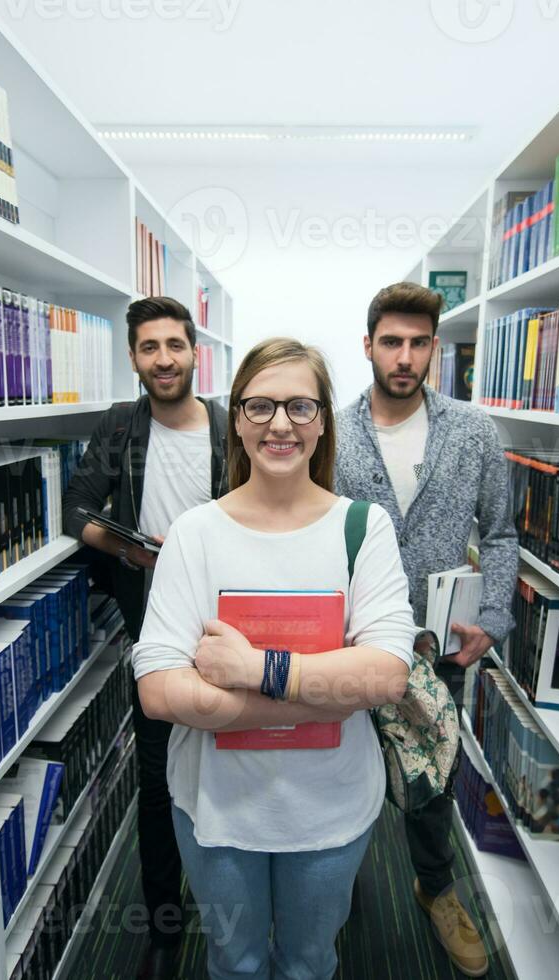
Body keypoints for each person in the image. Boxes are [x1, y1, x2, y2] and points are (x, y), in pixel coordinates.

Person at [131, 338, 416, 980]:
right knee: (235, 961)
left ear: (323, 422)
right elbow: (158, 690)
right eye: (259, 406)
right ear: (236, 418)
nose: (280, 425)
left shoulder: (362, 529)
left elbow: (386, 675)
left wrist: (255, 670)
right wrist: (324, 688)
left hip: (332, 808)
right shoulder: (195, 532)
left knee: (309, 963)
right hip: (217, 807)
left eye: (299, 407)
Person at [335, 281, 520, 978]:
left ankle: (435, 887)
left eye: (418, 343)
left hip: (434, 642)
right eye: (391, 342)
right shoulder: (330, 426)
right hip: (348, 641)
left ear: (435, 348)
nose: (404, 357)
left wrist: (494, 618)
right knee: (340, 767)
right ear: (368, 346)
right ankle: (337, 891)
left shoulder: (473, 431)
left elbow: (499, 535)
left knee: (430, 781)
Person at [62, 296, 228, 980]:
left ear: (195, 353)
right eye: (149, 347)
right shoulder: (119, 429)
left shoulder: (230, 426)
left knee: (231, 761)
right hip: (150, 630)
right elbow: (75, 509)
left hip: (226, 627)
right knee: (156, 782)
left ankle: (241, 905)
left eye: (174, 345)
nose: (163, 358)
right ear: (133, 358)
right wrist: (126, 550)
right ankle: (165, 923)